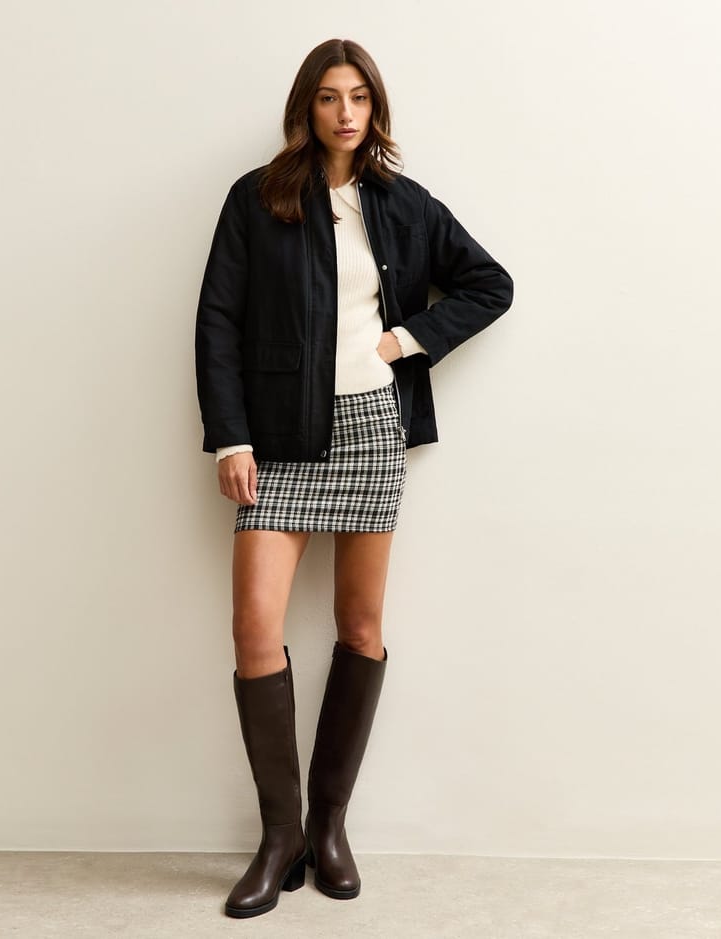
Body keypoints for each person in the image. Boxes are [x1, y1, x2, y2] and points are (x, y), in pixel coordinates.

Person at [195, 38, 513, 919]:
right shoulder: (257, 199)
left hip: (371, 427)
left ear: (375, 109)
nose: (345, 112)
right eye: (331, 96)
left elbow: (490, 284)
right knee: (254, 627)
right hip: (276, 437)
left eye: (360, 97)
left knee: (362, 625)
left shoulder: (404, 205)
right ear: (307, 105)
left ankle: (329, 826)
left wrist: (403, 341)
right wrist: (230, 438)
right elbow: (217, 320)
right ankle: (280, 838)